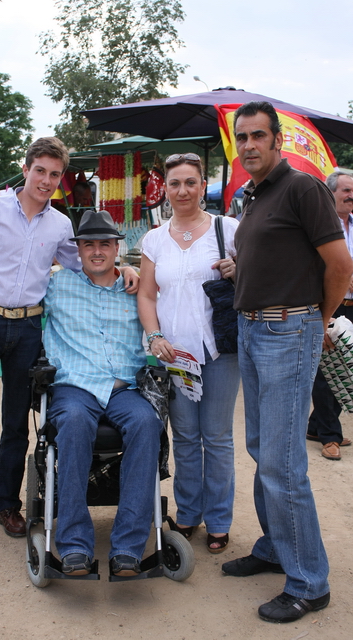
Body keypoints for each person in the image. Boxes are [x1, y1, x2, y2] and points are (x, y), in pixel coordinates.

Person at [0, 137, 138, 547]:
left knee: (16, 423)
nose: (46, 181)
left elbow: (83, 264)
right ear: (26, 168)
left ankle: (6, 505)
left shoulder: (60, 225)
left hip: (28, 329)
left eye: (54, 175)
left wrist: (121, 269)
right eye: (40, 171)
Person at [222, 101, 353, 623]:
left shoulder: (302, 188)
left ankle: (309, 582)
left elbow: (340, 265)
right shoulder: (253, 196)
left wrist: (316, 321)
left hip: (288, 331)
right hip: (253, 328)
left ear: (277, 140)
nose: (250, 144)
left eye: (258, 135)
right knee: (262, 448)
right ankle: (277, 546)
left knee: (282, 463)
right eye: (243, 137)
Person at [43, 209, 163, 577]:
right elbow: (9, 287)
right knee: (76, 422)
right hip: (75, 387)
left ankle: (127, 547)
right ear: (77, 250)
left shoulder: (135, 288)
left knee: (147, 423)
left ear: (117, 249)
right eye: (89, 244)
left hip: (123, 387)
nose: (97, 251)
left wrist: (135, 273)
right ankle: (75, 546)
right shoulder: (56, 285)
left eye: (105, 245)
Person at [137, 152, 240, 554]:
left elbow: (255, 278)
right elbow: (147, 295)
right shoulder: (154, 238)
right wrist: (154, 337)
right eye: (175, 183)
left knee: (216, 437)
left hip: (218, 351)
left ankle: (219, 519)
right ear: (166, 187)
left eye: (190, 182)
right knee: (184, 436)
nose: (182, 191)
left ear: (202, 186)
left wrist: (239, 269)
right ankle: (188, 513)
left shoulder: (227, 228)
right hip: (174, 355)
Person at [307, 172, 353, 459]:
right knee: (326, 371)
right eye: (346, 190)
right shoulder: (318, 226)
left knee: (347, 367)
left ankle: (315, 426)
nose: (351, 195)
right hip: (331, 304)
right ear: (331, 193)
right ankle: (329, 436)